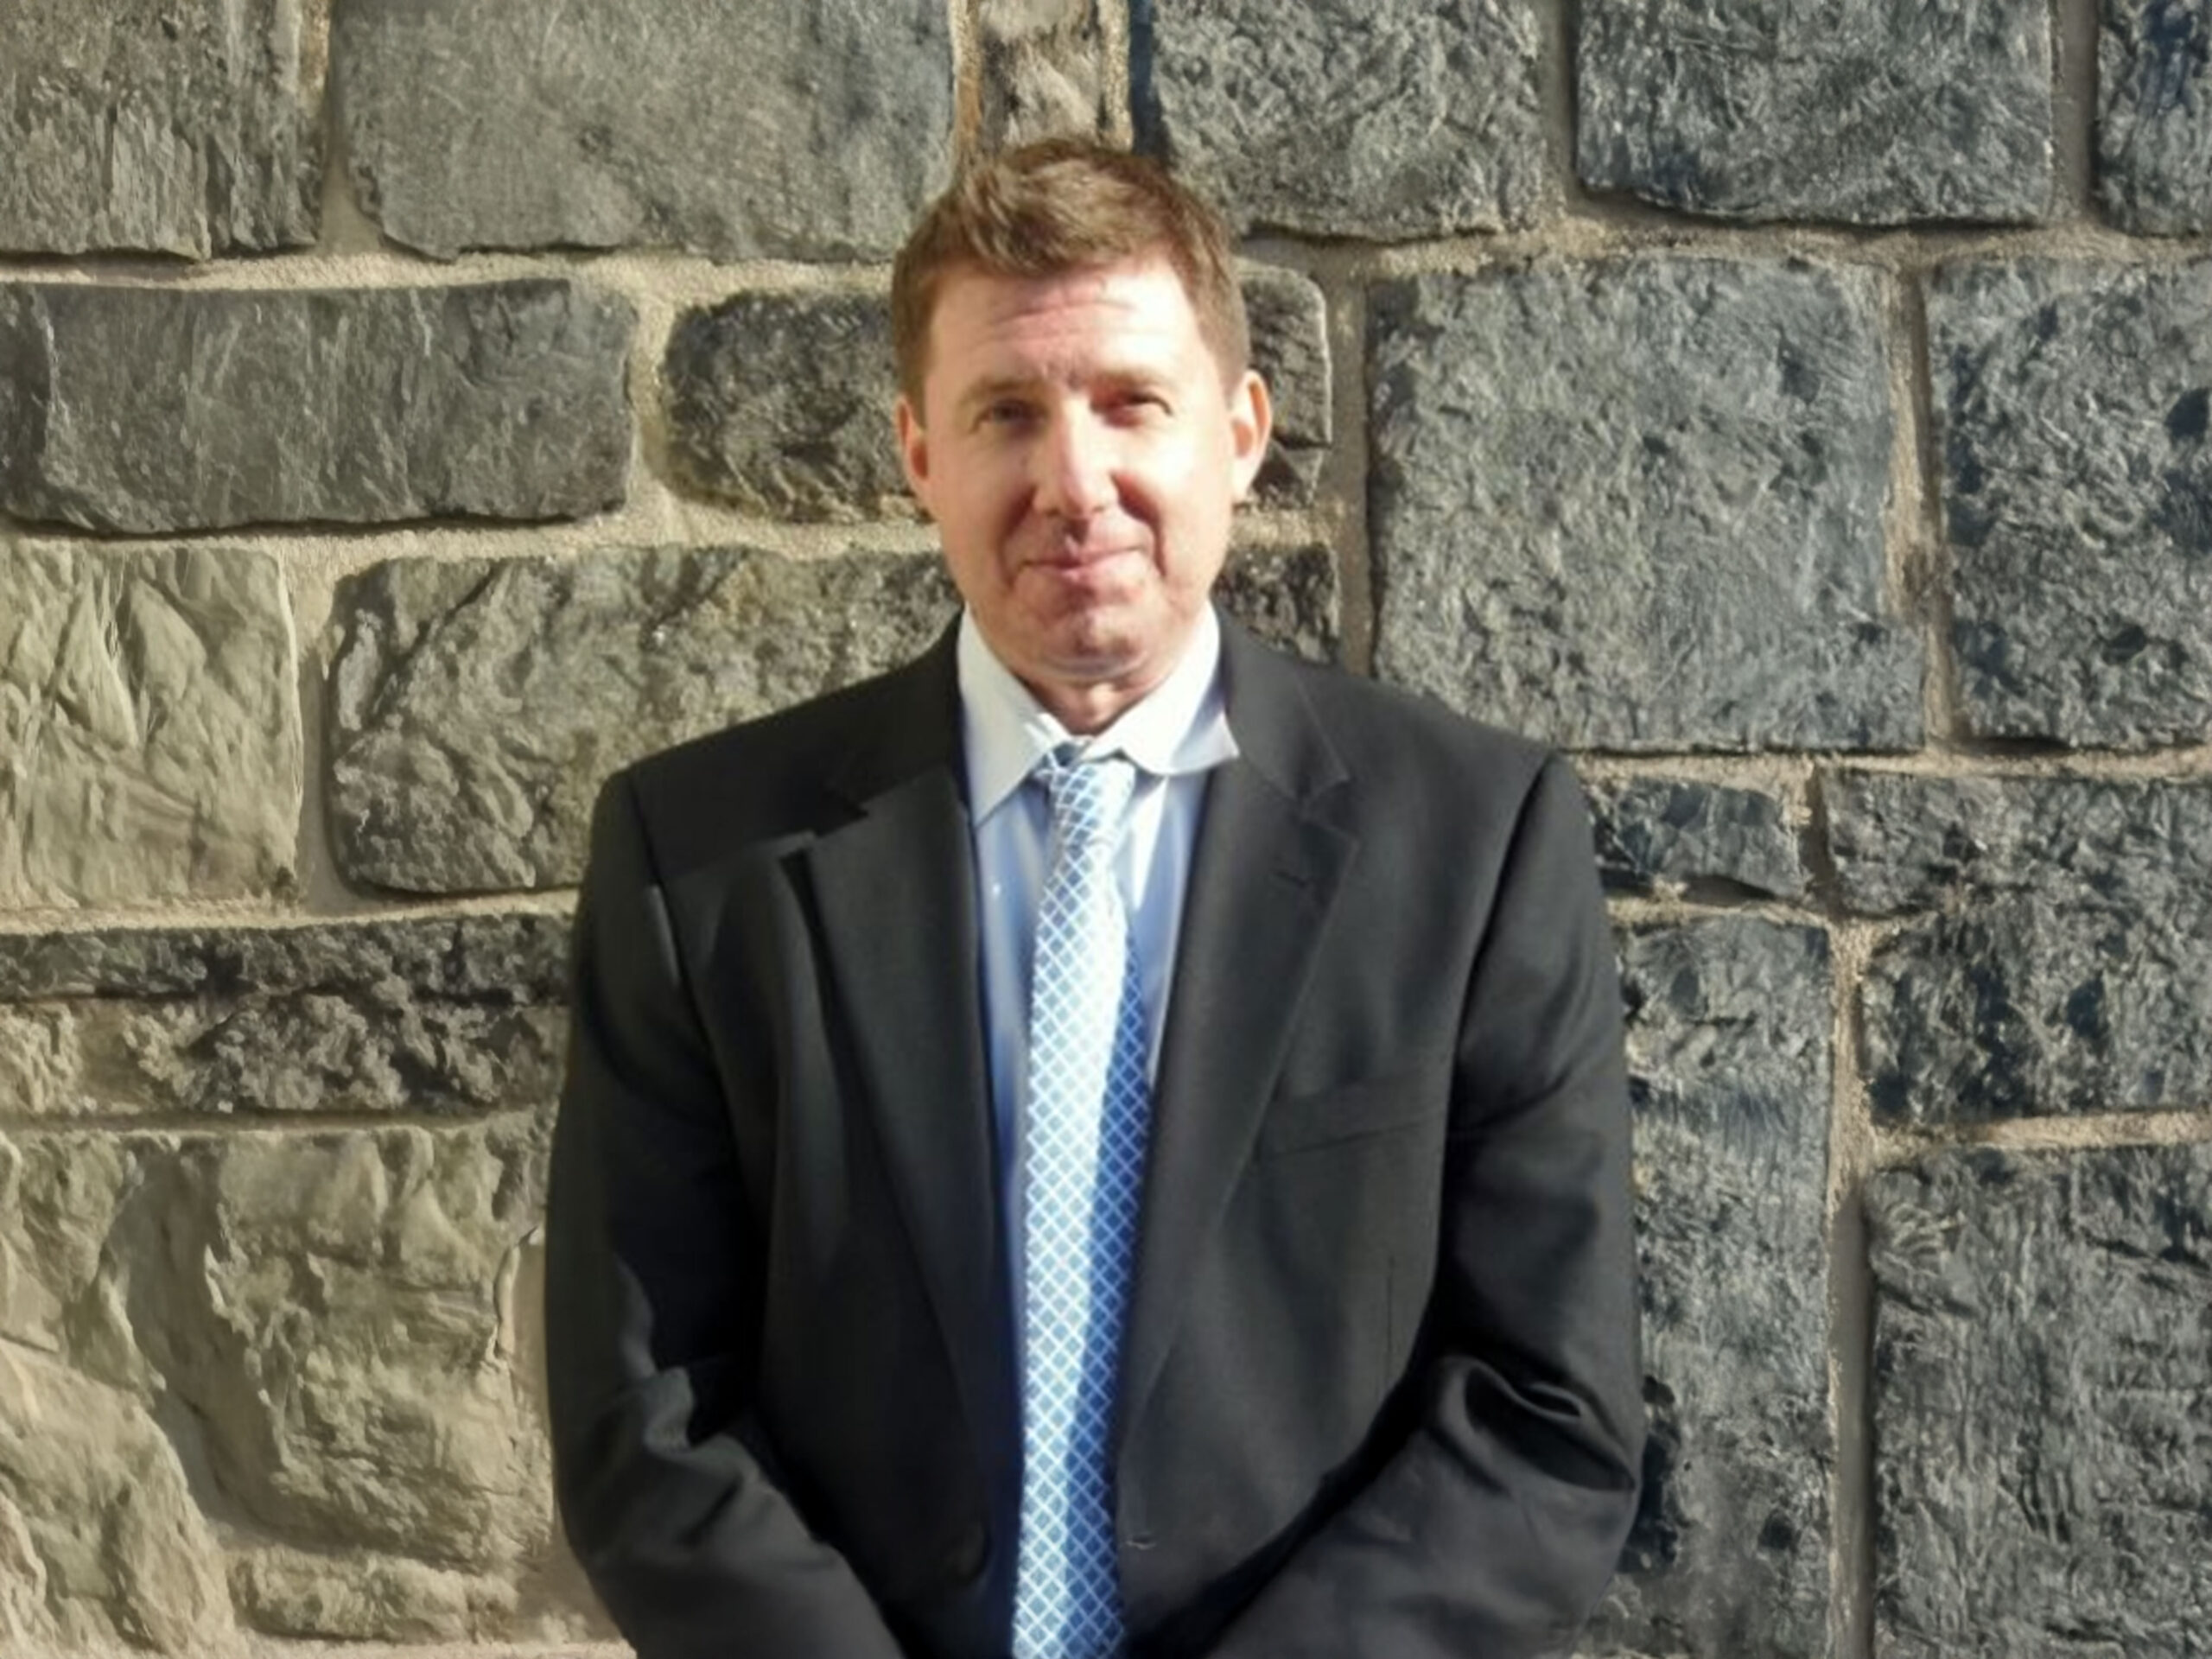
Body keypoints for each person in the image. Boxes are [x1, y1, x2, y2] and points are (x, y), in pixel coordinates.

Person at [544, 137, 1643, 1659]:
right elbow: (646, 1419)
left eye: (1134, 403)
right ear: (920, 453)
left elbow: (1549, 1413)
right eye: (1008, 412)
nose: (1077, 483)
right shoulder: (698, 862)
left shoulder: (1473, 843)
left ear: (1242, 432)